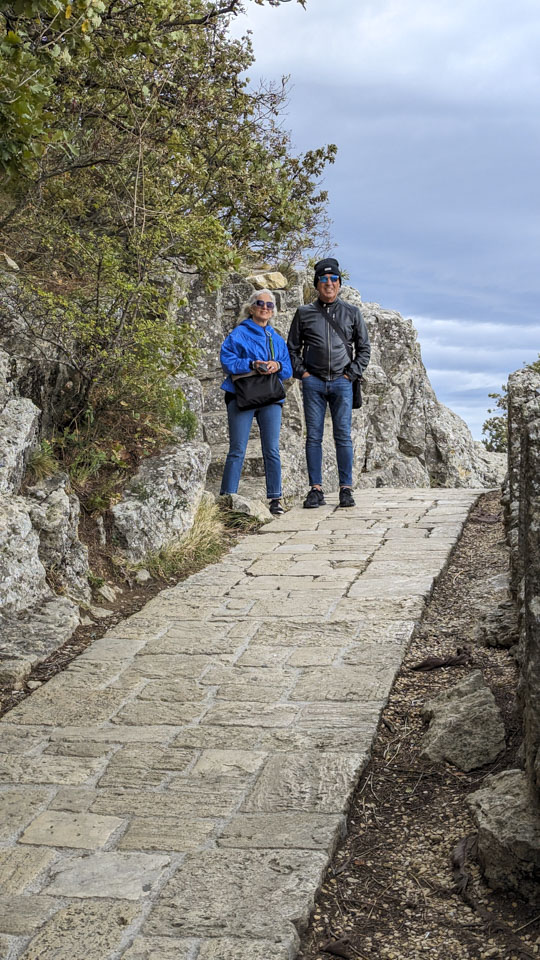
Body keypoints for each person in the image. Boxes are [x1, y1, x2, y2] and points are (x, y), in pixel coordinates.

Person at [287, 258, 371, 508]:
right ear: (316, 285)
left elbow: (364, 349)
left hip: (342, 382)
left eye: (334, 279)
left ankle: (346, 489)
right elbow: (292, 349)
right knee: (313, 437)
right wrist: (303, 374)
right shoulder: (304, 313)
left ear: (340, 284)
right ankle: (316, 489)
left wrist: (351, 374)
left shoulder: (352, 313)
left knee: (343, 436)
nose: (329, 284)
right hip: (313, 382)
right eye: (324, 280)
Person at [219, 289, 292, 515]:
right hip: (242, 395)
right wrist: (252, 364)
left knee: (271, 448)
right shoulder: (238, 335)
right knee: (237, 449)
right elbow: (226, 360)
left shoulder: (276, 338)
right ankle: (226, 498)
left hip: (270, 398)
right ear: (251, 308)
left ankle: (275, 499)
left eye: (269, 305)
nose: (265, 308)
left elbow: (288, 369)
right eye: (260, 303)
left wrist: (276, 366)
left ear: (273, 311)